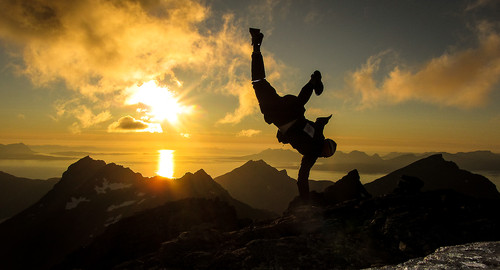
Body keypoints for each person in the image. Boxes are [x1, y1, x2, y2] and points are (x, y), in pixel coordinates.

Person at [250, 28, 336, 200]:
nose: (325, 151)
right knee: (293, 101)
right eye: (328, 150)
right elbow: (302, 178)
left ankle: (257, 46)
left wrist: (305, 199)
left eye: (328, 151)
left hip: (283, 113)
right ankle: (312, 82)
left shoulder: (313, 152)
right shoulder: (314, 149)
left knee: (259, 82)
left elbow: (302, 178)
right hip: (286, 115)